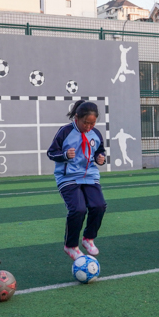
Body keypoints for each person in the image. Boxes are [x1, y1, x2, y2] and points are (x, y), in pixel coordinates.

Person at [47, 100, 108, 259]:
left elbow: (100, 151)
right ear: (76, 118)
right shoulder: (65, 131)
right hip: (68, 178)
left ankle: (88, 238)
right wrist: (65, 155)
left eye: (92, 123)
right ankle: (71, 245)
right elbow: (51, 153)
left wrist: (101, 158)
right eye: (85, 122)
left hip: (90, 176)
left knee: (99, 206)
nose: (88, 126)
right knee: (78, 209)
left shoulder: (96, 134)